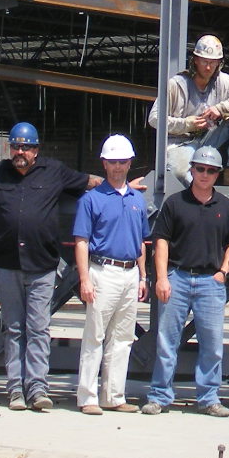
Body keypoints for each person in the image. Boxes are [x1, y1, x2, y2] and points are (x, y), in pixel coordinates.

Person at [0, 121, 101, 412]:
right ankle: (15, 390)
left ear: (36, 150)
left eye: (26, 147)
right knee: (15, 329)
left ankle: (38, 388)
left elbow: (88, 181)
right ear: (10, 148)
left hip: (42, 265)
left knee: (39, 328)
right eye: (16, 146)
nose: (20, 151)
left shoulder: (54, 171)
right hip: (8, 265)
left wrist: (120, 184)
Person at [142, 145, 229, 417]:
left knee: (212, 343)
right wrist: (162, 278)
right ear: (192, 170)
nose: (205, 174)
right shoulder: (175, 203)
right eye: (200, 169)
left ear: (217, 174)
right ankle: (160, 396)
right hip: (178, 279)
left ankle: (209, 398)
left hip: (210, 282)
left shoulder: (227, 207)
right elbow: (160, 241)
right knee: (166, 342)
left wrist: (223, 271)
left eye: (210, 170)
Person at [72, 134, 149, 415]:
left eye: (123, 162)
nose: (118, 167)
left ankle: (114, 396)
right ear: (104, 164)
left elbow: (141, 241)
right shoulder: (91, 199)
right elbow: (81, 241)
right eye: (113, 162)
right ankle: (88, 396)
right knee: (95, 336)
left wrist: (143, 276)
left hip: (130, 274)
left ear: (130, 164)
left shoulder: (137, 200)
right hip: (102, 271)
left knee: (123, 338)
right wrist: (84, 279)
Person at [147, 34, 229, 191]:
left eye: (213, 63)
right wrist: (187, 124)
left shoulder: (222, 81)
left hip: (208, 136)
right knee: (179, 173)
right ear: (195, 60)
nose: (208, 67)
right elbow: (154, 119)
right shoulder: (176, 85)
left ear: (219, 64)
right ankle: (201, 196)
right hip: (179, 143)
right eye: (205, 62)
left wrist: (220, 108)